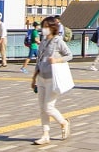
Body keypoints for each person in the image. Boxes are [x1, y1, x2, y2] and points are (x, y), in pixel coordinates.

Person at [29, 16, 73, 145]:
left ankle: (63, 122)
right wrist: (34, 78)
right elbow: (39, 60)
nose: (44, 29)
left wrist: (57, 60)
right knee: (42, 108)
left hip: (53, 78)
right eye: (43, 27)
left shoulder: (58, 41)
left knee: (48, 107)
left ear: (52, 28)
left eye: (46, 27)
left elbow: (69, 55)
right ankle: (45, 134)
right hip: (41, 78)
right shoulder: (42, 42)